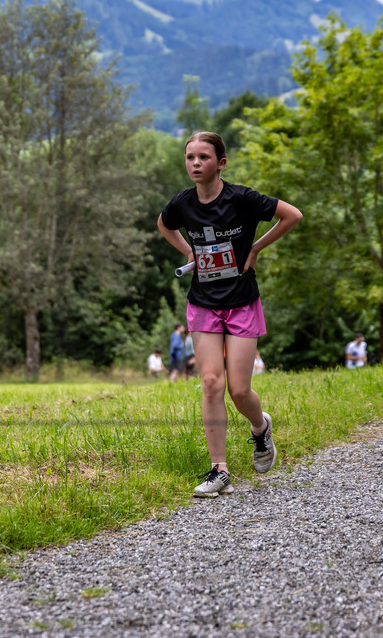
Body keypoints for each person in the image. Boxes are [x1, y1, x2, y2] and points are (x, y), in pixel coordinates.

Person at [158, 131, 303, 497]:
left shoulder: (242, 198)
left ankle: (260, 428)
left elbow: (292, 216)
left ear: (221, 162)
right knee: (210, 382)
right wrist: (188, 252)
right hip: (203, 302)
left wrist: (255, 248)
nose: (195, 164)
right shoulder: (183, 203)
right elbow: (164, 224)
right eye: (190, 157)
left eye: (204, 157)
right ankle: (218, 470)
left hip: (241, 301)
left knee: (239, 390)